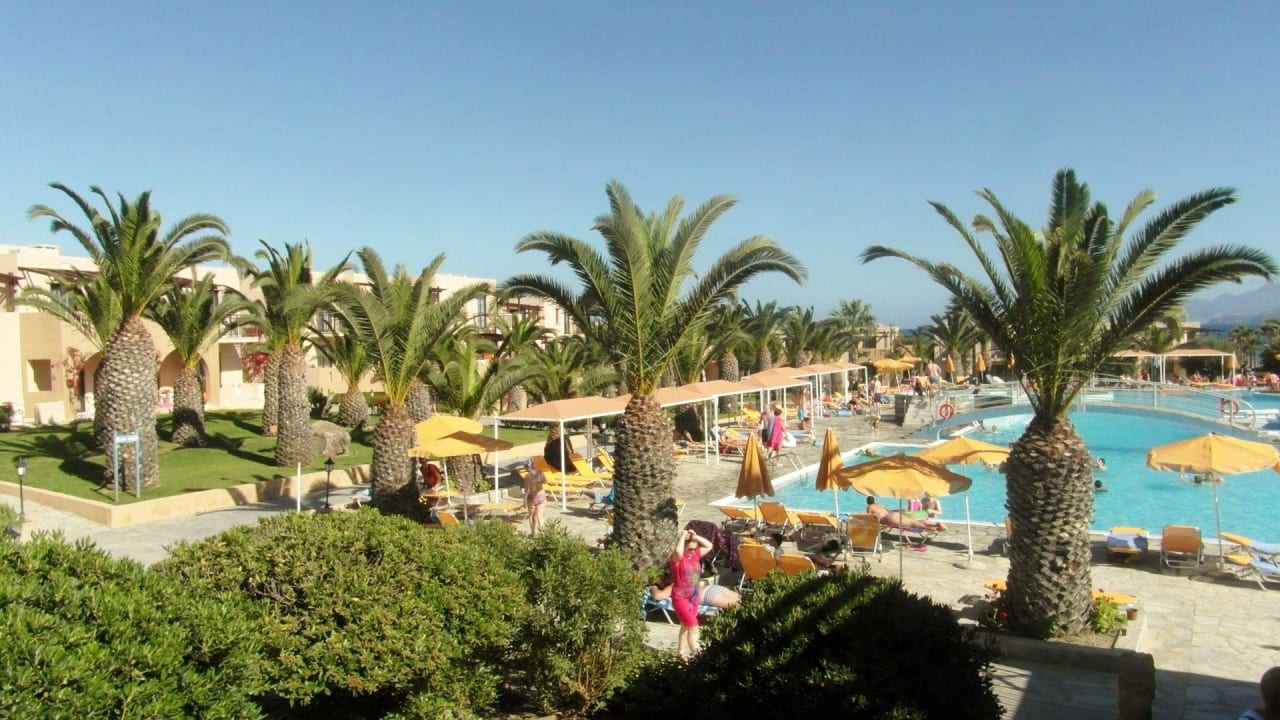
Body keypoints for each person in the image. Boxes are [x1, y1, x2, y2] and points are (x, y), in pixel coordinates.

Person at [669, 528, 713, 659]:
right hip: (680, 597)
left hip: (693, 596)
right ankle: (699, 656)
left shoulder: (695, 555)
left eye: (695, 548)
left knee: (685, 625)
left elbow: (709, 545)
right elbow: (678, 551)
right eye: (690, 549)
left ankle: (680, 653)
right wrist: (683, 536)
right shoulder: (677, 559)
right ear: (683, 547)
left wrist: (695, 536)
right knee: (693, 627)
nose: (693, 551)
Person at [650, 578, 742, 610]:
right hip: (715, 588)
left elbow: (658, 596)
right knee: (745, 602)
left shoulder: (673, 585)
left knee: (741, 608)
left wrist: (654, 587)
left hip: (707, 595)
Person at [866, 496, 947, 532]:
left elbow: (869, 517)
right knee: (913, 521)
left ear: (868, 502)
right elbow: (887, 511)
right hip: (893, 514)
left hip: (888, 519)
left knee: (912, 524)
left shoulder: (869, 507)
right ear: (874, 500)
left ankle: (933, 527)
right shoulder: (879, 504)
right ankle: (935, 524)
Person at [523, 460, 547, 536]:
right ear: (533, 465)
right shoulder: (540, 472)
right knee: (540, 516)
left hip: (532, 497)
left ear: (526, 467)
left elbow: (527, 490)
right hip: (541, 495)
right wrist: (538, 482)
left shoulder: (527, 476)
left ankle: (533, 534)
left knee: (532, 516)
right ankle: (543, 534)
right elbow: (545, 481)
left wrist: (524, 500)